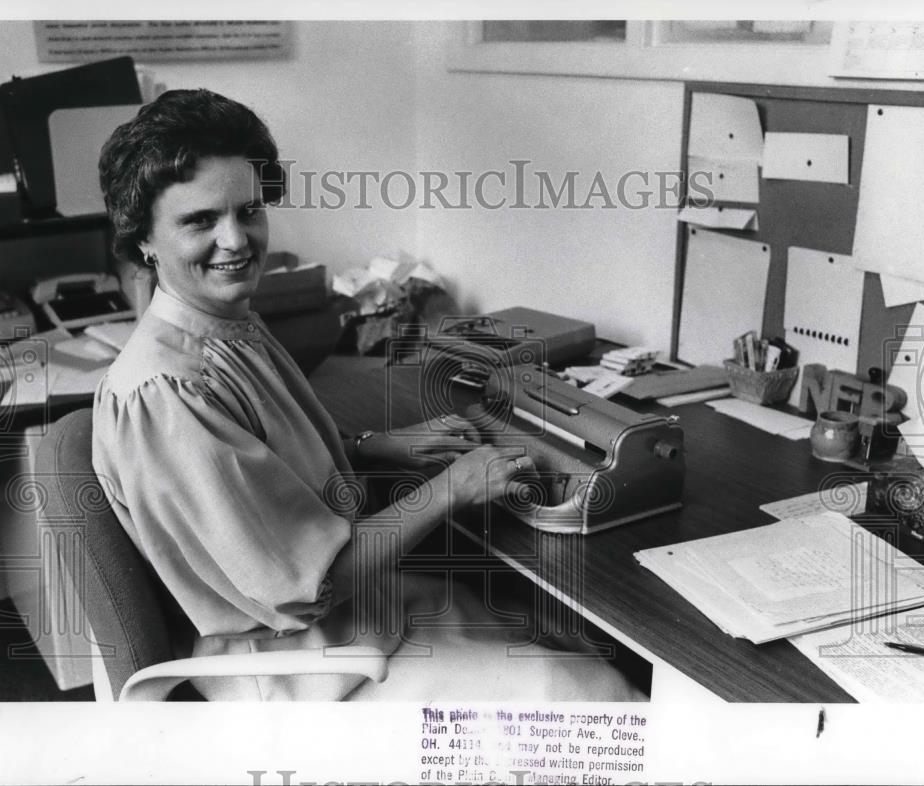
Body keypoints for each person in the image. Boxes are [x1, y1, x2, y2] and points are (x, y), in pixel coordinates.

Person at [93, 88, 641, 701]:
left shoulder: (227, 324)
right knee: (597, 696)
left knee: (577, 639)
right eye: (200, 221)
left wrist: (378, 446)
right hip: (301, 670)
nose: (237, 241)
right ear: (142, 238)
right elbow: (310, 589)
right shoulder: (165, 392)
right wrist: (452, 488)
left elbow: (265, 473)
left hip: (359, 621)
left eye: (248, 211)